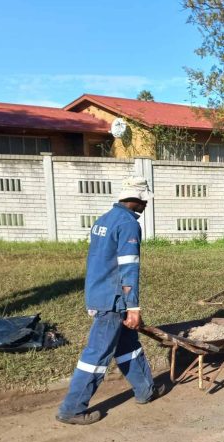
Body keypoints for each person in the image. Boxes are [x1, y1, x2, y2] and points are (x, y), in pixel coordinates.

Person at [56, 177, 159, 425]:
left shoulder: (103, 220)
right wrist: (132, 306)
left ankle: (145, 390)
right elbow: (128, 267)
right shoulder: (128, 224)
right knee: (97, 355)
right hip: (113, 300)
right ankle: (72, 408)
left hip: (99, 293)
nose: (146, 205)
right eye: (145, 201)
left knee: (127, 345)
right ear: (138, 199)